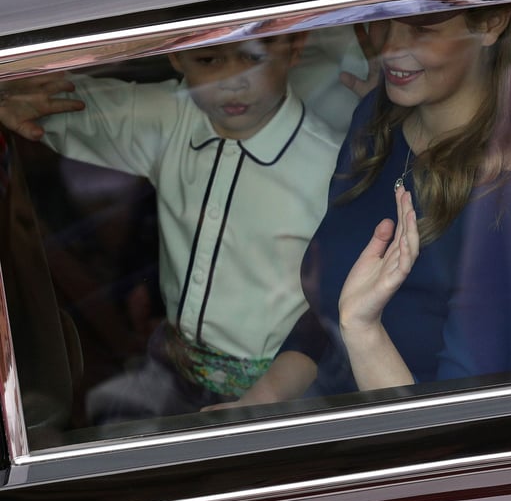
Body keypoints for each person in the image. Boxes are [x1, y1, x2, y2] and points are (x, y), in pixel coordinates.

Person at [225, 1, 511, 406]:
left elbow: (453, 429)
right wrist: (261, 400)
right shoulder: (379, 120)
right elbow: (327, 312)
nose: (388, 47)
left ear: (491, 23)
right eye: (385, 21)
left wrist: (364, 329)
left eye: (422, 28)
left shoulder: (509, 207)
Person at [0, 34, 343, 417]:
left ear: (294, 49)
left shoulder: (329, 168)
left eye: (252, 56)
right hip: (172, 366)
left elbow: (331, 308)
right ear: (177, 58)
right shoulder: (173, 118)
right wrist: (14, 96)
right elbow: (72, 103)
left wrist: (265, 400)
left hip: (283, 392)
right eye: (208, 60)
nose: (231, 80)